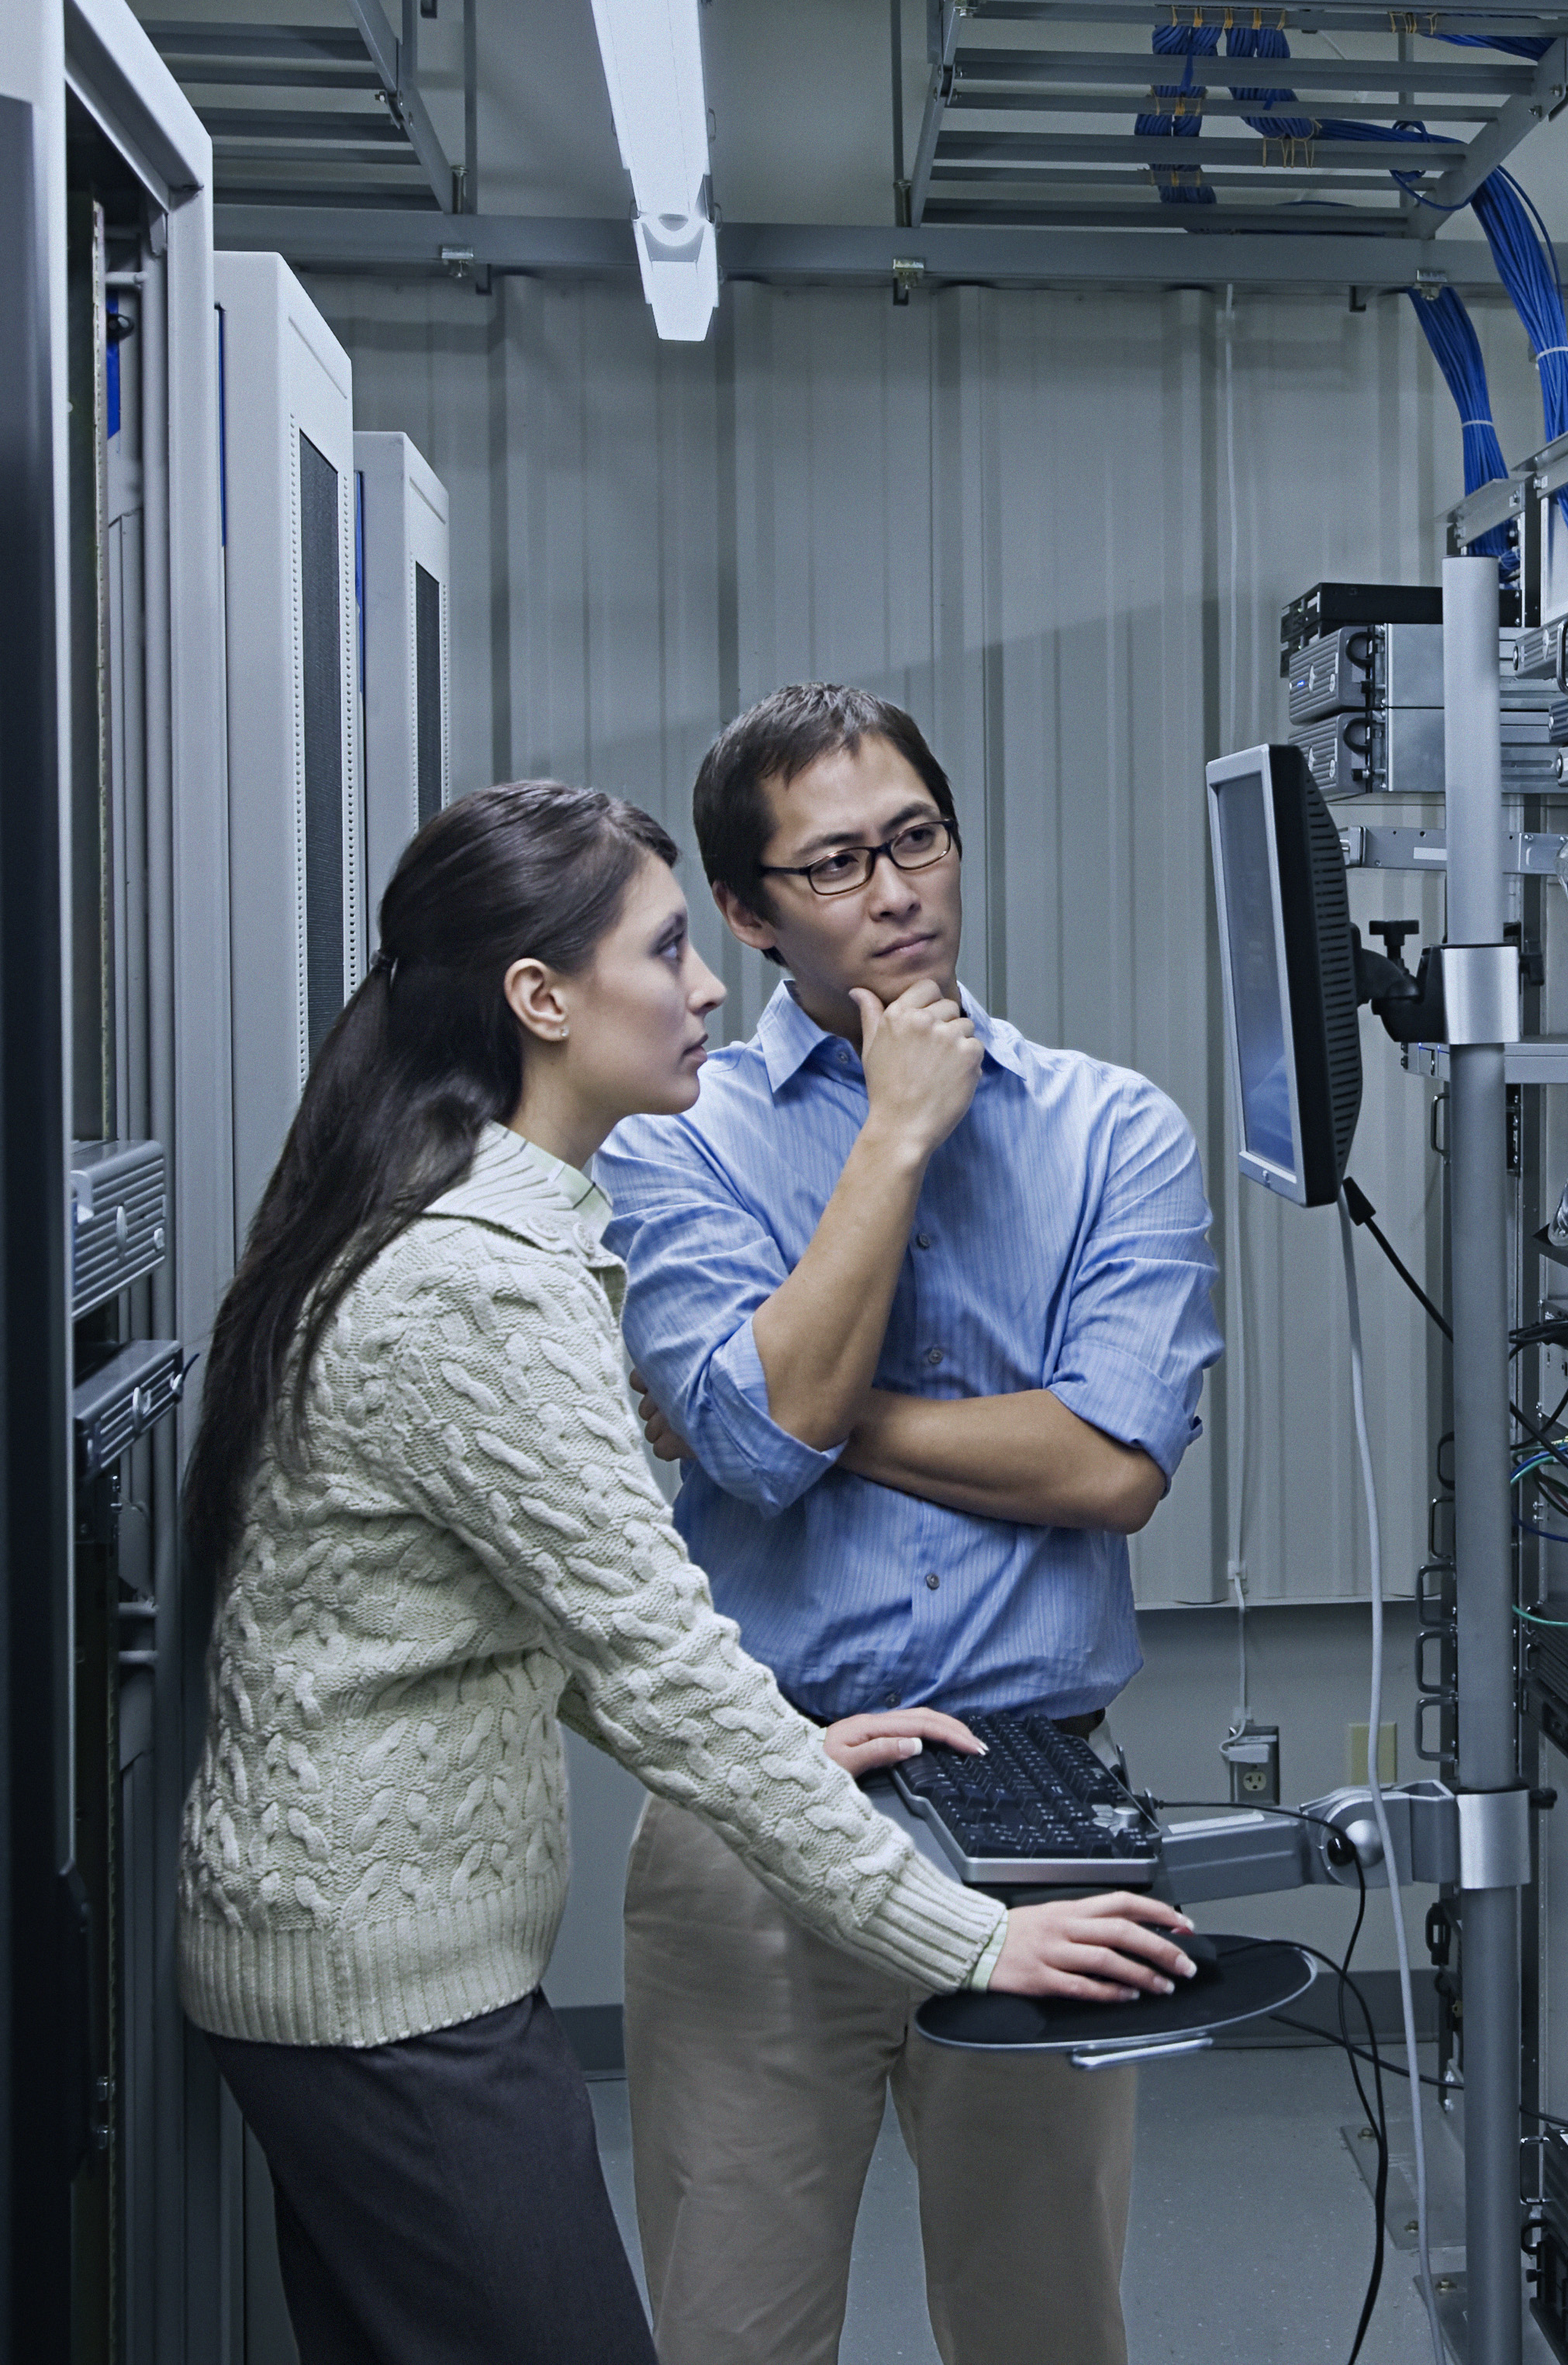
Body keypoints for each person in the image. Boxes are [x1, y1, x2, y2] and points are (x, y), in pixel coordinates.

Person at [174, 779, 1191, 2365]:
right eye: (669, 950)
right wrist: (974, 1941)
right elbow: (661, 1656)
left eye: (917, 840)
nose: (709, 987)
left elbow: (530, 1605)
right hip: (385, 1990)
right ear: (543, 998)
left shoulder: (490, 1222)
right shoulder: (484, 1281)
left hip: (374, 1968)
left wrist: (788, 1703)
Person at [600, 684, 1223, 2365]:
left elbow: (1107, 1469)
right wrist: (894, 1133)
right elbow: (742, 1428)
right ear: (746, 910)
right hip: (765, 1802)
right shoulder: (680, 1133)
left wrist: (793, 1418)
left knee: (1045, 2327)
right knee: (738, 2327)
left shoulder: (1115, 1130)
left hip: (1041, 1809)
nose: (897, 895)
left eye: (917, 841)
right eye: (835, 866)